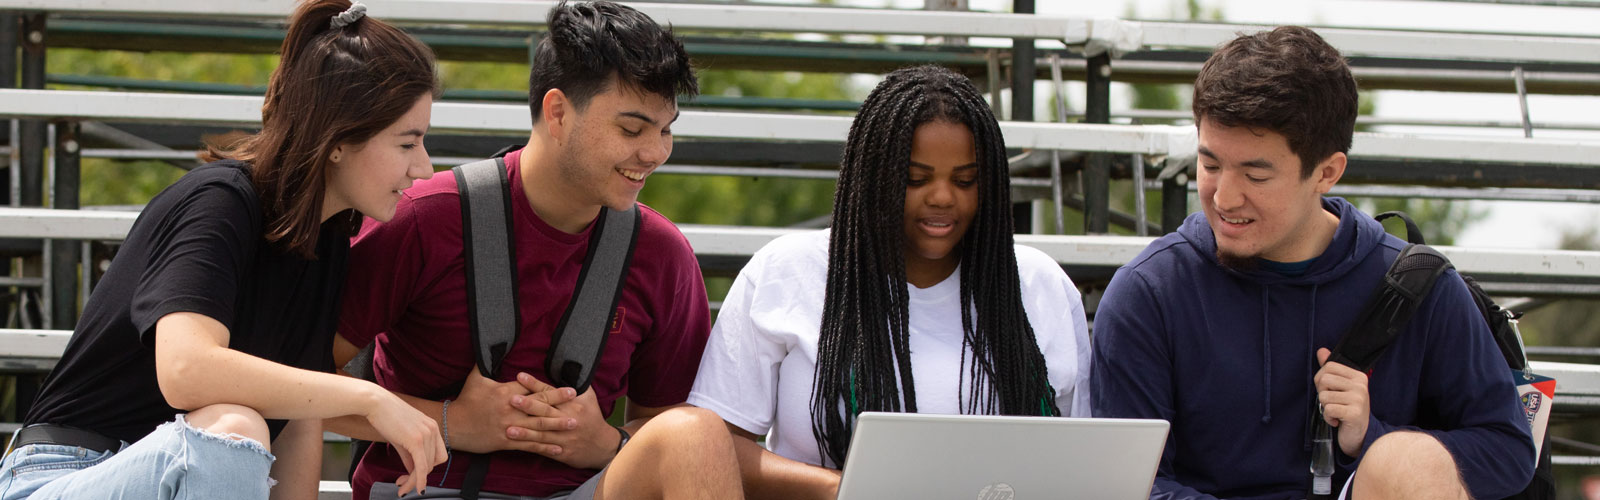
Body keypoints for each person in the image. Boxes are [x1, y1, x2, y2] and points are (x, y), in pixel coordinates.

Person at [0, 1, 448, 498]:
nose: (424, 168)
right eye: (408, 144)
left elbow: (296, 416)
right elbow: (185, 370)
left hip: (178, 473)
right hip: (59, 474)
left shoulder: (327, 240)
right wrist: (368, 398)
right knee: (232, 430)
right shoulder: (220, 201)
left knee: (241, 428)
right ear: (338, 139)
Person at [1090, 26, 1534, 500]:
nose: (1223, 197)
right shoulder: (1148, 292)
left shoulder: (1420, 286)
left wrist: (1372, 437)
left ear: (1327, 172)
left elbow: (1508, 451)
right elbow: (1130, 486)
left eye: (1255, 174)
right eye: (1211, 164)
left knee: (1403, 461)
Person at [330, 1, 743, 499]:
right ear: (558, 113)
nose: (654, 153)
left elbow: (662, 426)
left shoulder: (664, 254)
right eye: (632, 129)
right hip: (423, 490)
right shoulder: (424, 217)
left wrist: (607, 442)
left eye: (666, 129)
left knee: (696, 432)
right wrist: (452, 422)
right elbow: (299, 377)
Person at [686, 64, 1093, 499]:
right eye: (915, 179)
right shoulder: (785, 273)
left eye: (966, 180)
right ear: (871, 177)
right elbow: (713, 446)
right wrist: (846, 490)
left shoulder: (1040, 284)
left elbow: (1081, 458)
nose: (941, 196)